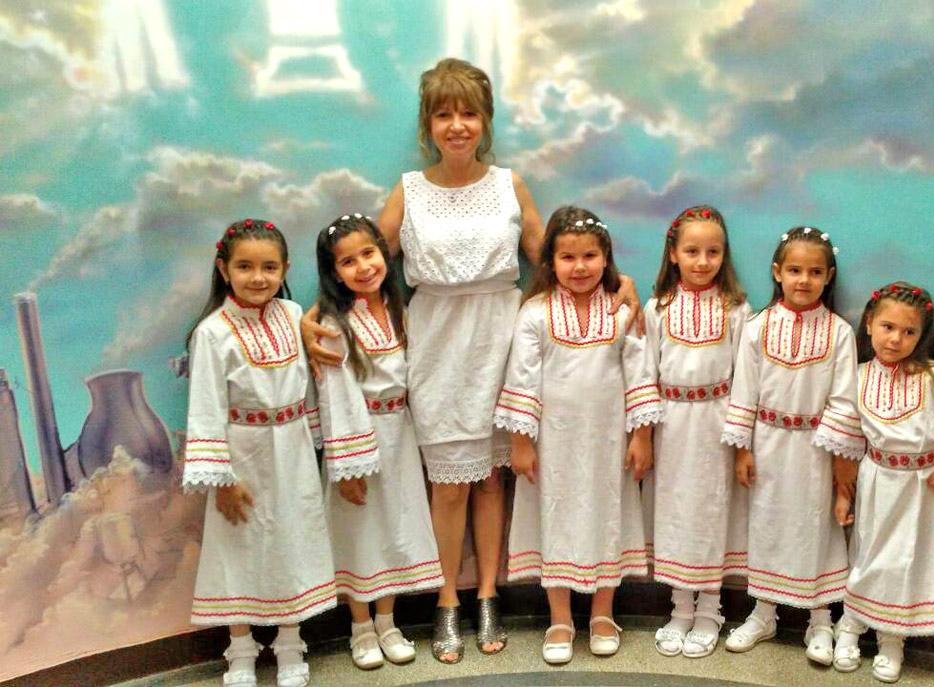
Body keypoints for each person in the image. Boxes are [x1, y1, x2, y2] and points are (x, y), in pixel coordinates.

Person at [299, 57, 642, 663]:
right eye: (444, 114)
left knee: (491, 478)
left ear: (484, 121)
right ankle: (445, 600)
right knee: (449, 482)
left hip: (501, 334)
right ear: (427, 125)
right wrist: (312, 313)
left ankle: (487, 594)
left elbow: (555, 257)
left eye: (468, 113)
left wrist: (622, 281)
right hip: (437, 340)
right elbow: (362, 261)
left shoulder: (510, 184)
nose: (457, 125)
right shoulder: (409, 189)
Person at [494, 206, 660, 665]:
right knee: (555, 517)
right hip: (552, 443)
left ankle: (603, 615)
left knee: (610, 513)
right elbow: (522, 376)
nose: (580, 267)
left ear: (606, 258)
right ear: (551, 261)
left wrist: (642, 436)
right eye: (568, 257)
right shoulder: (535, 312)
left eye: (590, 256)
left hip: (609, 442)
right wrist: (521, 442)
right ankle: (561, 619)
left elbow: (640, 373)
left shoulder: (623, 309)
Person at [182, 219, 335, 687]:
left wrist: (320, 442)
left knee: (292, 538)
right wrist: (222, 479)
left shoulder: (293, 315)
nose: (258, 277)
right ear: (223, 269)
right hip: (241, 454)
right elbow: (206, 406)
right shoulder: (212, 332)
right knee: (239, 547)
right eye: (245, 266)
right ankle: (241, 649)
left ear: (285, 268)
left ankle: (290, 642)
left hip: (292, 448)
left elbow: (311, 381)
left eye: (269, 267)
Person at [831, 282, 934, 683]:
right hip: (875, 479)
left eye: (909, 332)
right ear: (869, 324)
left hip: (921, 489)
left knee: (907, 560)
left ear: (921, 336)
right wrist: (843, 493)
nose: (896, 339)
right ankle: (851, 624)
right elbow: (846, 434)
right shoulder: (857, 376)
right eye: (888, 327)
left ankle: (893, 639)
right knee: (867, 554)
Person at [720, 227, 866, 666]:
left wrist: (840, 463)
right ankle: (763, 614)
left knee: (816, 527)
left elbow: (844, 398)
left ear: (829, 277)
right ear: (777, 272)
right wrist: (743, 449)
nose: (804, 280)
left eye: (815, 272)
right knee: (767, 525)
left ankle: (820, 620)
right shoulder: (757, 327)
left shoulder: (839, 333)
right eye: (795, 270)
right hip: (767, 444)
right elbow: (744, 389)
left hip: (816, 450)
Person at [313, 214, 444, 670]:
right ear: (334, 273)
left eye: (368, 254)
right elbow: (335, 396)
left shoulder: (398, 310)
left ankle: (388, 622)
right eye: (348, 261)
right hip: (358, 437)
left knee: (394, 525)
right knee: (360, 529)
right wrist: (347, 465)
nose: (363, 267)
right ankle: (361, 626)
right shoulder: (333, 323)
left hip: (398, 434)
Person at [642, 205, 751, 659]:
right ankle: (680, 608)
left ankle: (710, 609)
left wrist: (741, 440)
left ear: (724, 255)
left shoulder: (736, 309)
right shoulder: (657, 308)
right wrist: (642, 434)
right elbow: (645, 372)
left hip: (717, 425)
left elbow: (746, 376)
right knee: (675, 512)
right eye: (692, 251)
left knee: (712, 513)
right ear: (673, 254)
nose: (703, 261)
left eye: (713, 252)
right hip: (671, 425)